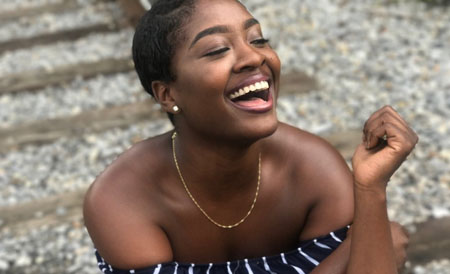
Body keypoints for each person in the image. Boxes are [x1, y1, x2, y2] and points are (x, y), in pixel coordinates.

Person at [83, 0, 417, 273]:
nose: (255, 56)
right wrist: (351, 255)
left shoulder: (314, 169)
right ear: (168, 95)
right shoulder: (120, 200)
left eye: (257, 39)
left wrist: (370, 190)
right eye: (216, 50)